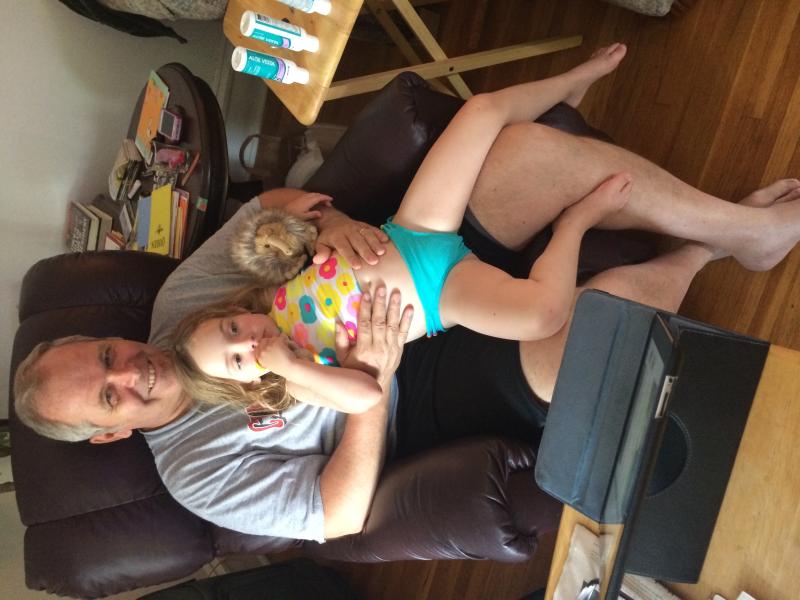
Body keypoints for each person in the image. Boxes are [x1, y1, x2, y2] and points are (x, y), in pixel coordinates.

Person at [13, 41, 800, 541]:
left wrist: (332, 226)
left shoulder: (181, 308)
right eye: (110, 397)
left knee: (528, 152)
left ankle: (745, 232)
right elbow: (339, 514)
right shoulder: (196, 474)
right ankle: (702, 253)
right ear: (111, 434)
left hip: (398, 261)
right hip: (412, 397)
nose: (131, 371)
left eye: (107, 355)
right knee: (600, 322)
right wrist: (375, 379)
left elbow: (267, 213)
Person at [170, 45, 634, 414]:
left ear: (234, 310)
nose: (246, 341)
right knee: (542, 318)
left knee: (481, 111)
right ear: (246, 385)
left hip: (414, 229)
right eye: (237, 359)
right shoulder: (300, 381)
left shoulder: (272, 291)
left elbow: (298, 221)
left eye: (231, 328)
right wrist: (291, 366)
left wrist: (315, 221)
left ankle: (572, 83)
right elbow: (365, 396)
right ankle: (575, 224)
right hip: (440, 296)